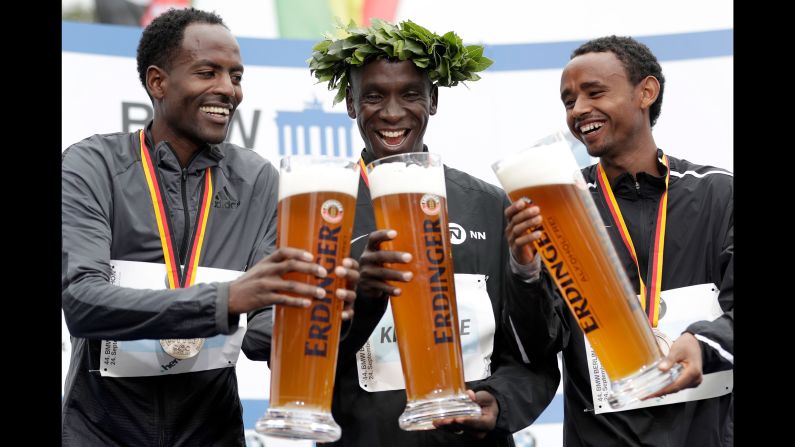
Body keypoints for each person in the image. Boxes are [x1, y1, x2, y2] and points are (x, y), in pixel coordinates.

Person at [61, 8, 358, 446]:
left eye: (235, 76)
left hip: (212, 432)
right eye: (208, 72)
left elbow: (259, 338)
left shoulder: (258, 179)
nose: (228, 89)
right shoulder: (94, 165)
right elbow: (82, 302)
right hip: (101, 432)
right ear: (157, 82)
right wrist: (226, 299)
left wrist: (328, 306)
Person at [255, 19, 559, 447]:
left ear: (433, 100)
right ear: (350, 102)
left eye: (411, 94)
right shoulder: (317, 211)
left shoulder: (489, 205)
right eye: (374, 96)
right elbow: (272, 346)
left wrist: (500, 401)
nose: (393, 113)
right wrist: (360, 298)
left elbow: (535, 353)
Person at [503, 35, 733, 446]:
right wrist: (524, 270)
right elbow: (538, 345)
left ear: (646, 92)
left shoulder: (719, 194)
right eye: (569, 101)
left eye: (595, 93)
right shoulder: (557, 206)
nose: (579, 110)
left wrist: (705, 342)